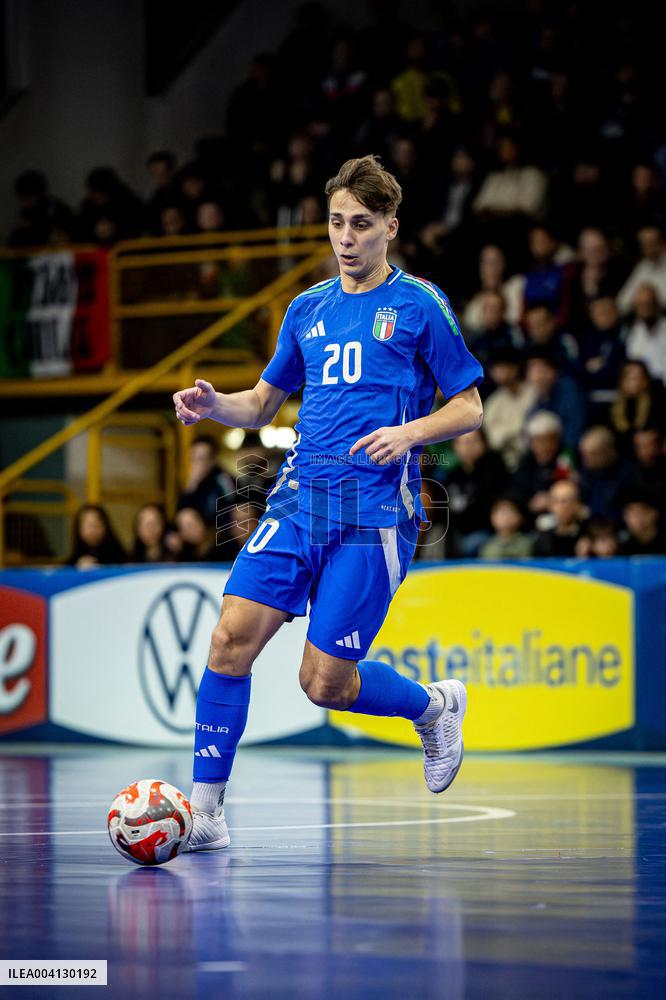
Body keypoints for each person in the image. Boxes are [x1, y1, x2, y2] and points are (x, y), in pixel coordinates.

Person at [172, 155, 483, 851]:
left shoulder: (419, 304)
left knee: (324, 684)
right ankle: (206, 814)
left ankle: (434, 707)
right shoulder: (306, 308)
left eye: (362, 224)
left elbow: (470, 407)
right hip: (299, 499)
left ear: (390, 227)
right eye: (337, 222)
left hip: (374, 512)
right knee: (228, 641)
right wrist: (213, 404)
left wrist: (410, 432)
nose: (346, 237)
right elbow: (262, 403)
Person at [532, 479, 585, 557]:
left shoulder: (587, 536)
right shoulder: (541, 538)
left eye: (565, 501)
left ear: (576, 504)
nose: (561, 507)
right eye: (555, 501)